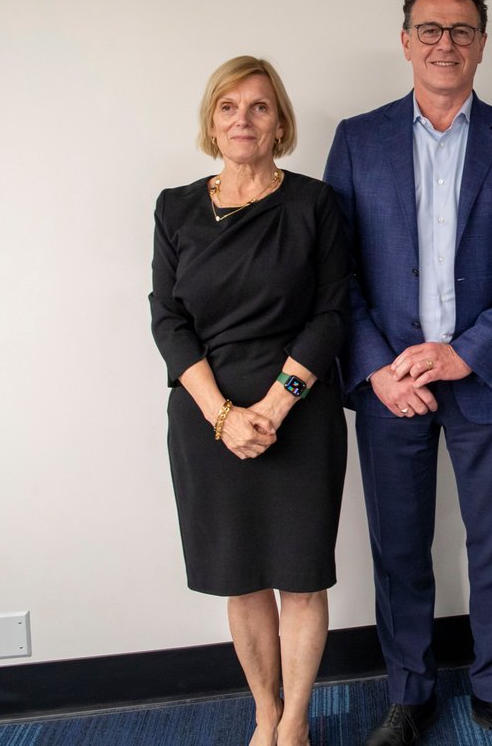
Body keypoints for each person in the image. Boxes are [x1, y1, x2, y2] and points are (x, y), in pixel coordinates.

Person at [323, 0, 492, 746]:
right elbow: (337, 268)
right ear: (405, 42)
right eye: (429, 29)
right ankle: (409, 691)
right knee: (399, 549)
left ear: (482, 45)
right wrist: (376, 368)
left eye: (461, 30)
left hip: (485, 378)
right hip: (391, 387)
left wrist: (467, 353)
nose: (445, 44)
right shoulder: (357, 140)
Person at [150, 55, 349, 746]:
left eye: (259, 107)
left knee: (299, 578)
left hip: (297, 408)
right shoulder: (175, 207)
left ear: (280, 122)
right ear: (212, 120)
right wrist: (224, 416)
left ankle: (295, 724)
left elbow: (330, 315)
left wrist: (272, 406)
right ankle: (262, 715)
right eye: (229, 107)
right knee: (240, 579)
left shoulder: (315, 203)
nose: (243, 119)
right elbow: (168, 320)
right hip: (209, 416)